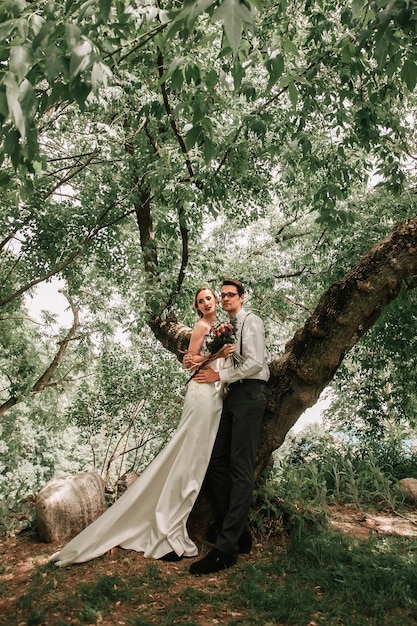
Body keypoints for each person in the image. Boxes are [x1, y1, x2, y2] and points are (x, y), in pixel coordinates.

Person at [50, 286, 234, 566]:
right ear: (197, 307)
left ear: (216, 301)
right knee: (188, 461)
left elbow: (200, 360)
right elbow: (190, 363)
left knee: (196, 461)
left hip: (213, 393)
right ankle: (166, 529)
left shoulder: (222, 327)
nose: (207, 303)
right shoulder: (202, 326)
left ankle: (169, 521)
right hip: (201, 393)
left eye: (209, 298)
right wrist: (215, 355)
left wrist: (217, 358)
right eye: (201, 301)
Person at [189, 279, 269, 575]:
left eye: (229, 295)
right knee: (216, 462)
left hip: (251, 394)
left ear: (242, 297)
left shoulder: (251, 322)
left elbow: (256, 363)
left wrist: (217, 377)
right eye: (221, 295)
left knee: (240, 468)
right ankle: (238, 533)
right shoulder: (227, 326)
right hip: (232, 395)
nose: (224, 299)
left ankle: (225, 550)